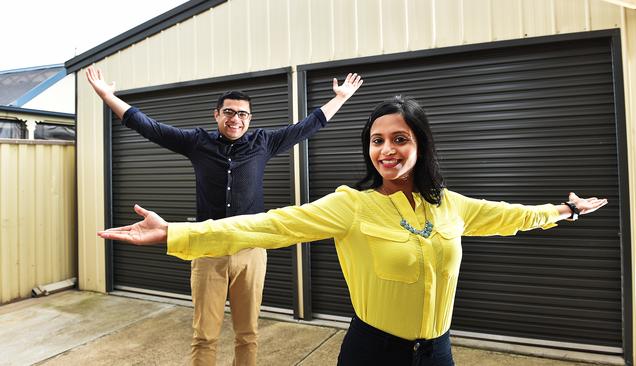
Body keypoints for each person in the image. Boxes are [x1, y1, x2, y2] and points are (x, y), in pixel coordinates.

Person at [97, 96, 607, 366]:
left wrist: (566, 210)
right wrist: (175, 235)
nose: (386, 150)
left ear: (421, 145)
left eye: (399, 139)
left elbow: (510, 216)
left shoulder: (450, 205)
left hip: (438, 353)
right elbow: (270, 224)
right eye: (376, 140)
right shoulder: (351, 206)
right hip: (374, 351)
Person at [85, 65, 363, 366]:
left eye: (243, 114)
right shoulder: (197, 142)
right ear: (216, 115)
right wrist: (107, 96)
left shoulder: (263, 143)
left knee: (248, 333)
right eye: (229, 112)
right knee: (204, 336)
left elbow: (308, 126)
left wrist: (340, 98)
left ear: (250, 119)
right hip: (207, 252)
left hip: (251, 251)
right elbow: (148, 126)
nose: (236, 119)